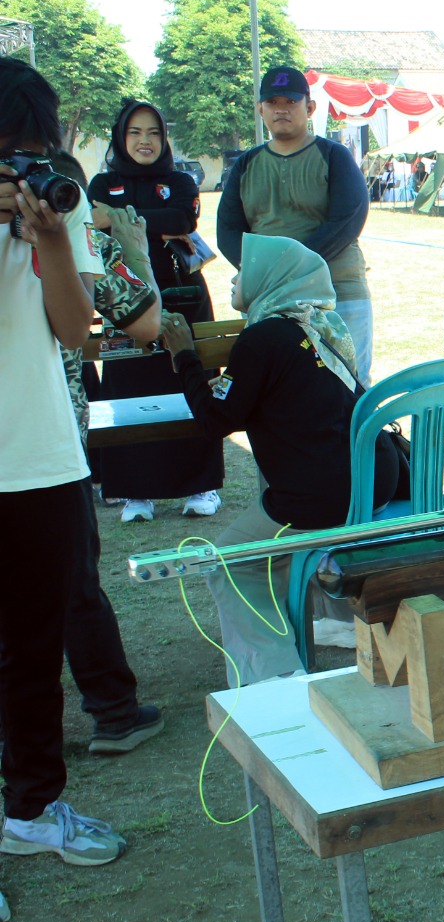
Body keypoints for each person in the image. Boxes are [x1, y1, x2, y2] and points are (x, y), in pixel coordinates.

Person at [0, 59, 130, 909]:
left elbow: (77, 331)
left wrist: (47, 236)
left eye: (33, 150)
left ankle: (35, 808)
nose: (24, 171)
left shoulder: (53, 206)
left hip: (40, 454)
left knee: (32, 650)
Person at [160, 234, 396, 686]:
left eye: (245, 270)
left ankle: (273, 675)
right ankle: (333, 619)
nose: (234, 277)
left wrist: (185, 357)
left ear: (271, 278)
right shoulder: (315, 326)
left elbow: (215, 421)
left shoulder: (262, 337)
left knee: (227, 560)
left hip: (322, 493)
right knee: (283, 549)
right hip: (372, 478)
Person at [50, 151, 167, 754]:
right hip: (49, 446)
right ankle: (114, 713)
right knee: (73, 585)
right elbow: (146, 321)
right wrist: (118, 242)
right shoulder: (76, 237)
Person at [88, 98, 223, 522]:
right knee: (128, 389)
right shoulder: (101, 182)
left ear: (164, 139)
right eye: (135, 133)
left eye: (153, 133)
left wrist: (121, 218)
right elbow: (92, 221)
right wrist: (142, 219)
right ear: (120, 138)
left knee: (189, 382)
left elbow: (182, 218)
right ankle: (134, 493)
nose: (144, 141)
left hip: (183, 297)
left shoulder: (180, 179)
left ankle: (201, 488)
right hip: (124, 302)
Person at [217, 66, 374, 386]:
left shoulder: (334, 156)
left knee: (349, 389)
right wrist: (266, 275)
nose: (281, 109)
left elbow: (347, 220)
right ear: (260, 109)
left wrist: (286, 269)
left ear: (310, 107)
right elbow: (228, 231)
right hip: (268, 299)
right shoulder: (245, 165)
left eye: (290, 101)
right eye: (272, 102)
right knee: (277, 394)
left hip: (339, 294)